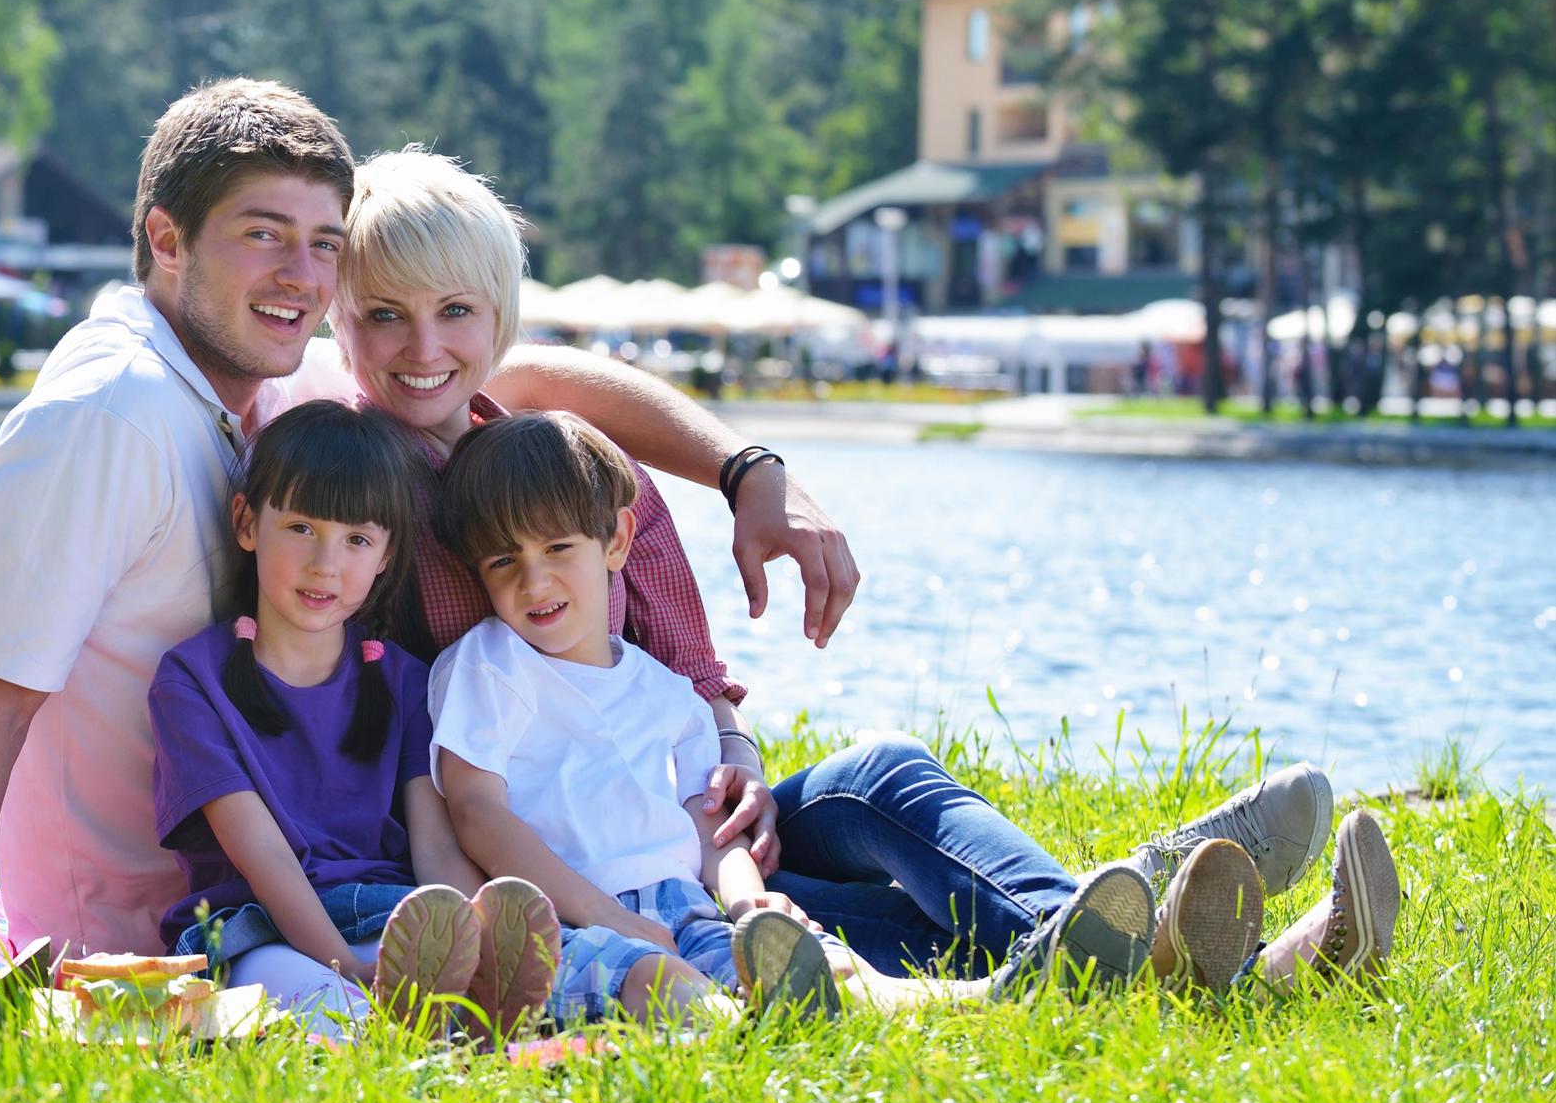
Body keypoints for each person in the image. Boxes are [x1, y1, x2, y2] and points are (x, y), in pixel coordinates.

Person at [312, 147, 1399, 993]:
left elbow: (689, 675)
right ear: (338, 323)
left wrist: (733, 762)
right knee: (865, 924)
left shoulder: (570, 461)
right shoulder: (343, 485)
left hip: (680, 818)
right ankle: (1212, 942)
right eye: (385, 317)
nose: (422, 347)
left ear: (498, 320)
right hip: (579, 867)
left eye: (456, 313)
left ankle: (1158, 924)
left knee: (878, 779)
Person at [0, 81, 862, 954]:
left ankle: (888, 950)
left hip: (338, 874)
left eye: (323, 245)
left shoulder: (264, 379)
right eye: (263, 233)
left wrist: (746, 470)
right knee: (786, 875)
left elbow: (519, 374)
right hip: (155, 927)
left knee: (863, 803)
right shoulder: (108, 415)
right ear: (166, 238)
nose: (301, 276)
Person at [428, 409, 1162, 1020]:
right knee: (658, 980)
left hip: (687, 903)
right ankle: (741, 1026)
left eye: (558, 548)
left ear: (616, 540)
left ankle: (997, 992)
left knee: (813, 961)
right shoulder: (489, 665)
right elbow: (477, 814)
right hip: (569, 912)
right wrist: (611, 918)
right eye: (502, 563)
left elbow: (707, 822)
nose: (534, 580)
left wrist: (749, 900)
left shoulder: (666, 694)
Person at [147, 400, 549, 1035]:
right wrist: (346, 969)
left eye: (357, 539)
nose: (325, 564)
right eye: (302, 527)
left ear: (386, 555)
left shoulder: (404, 679)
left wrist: (468, 923)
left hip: (388, 919)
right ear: (248, 523)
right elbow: (264, 858)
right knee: (327, 1006)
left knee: (438, 976)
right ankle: (411, 1024)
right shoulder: (192, 680)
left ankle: (464, 1007)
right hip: (259, 929)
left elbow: (435, 841)